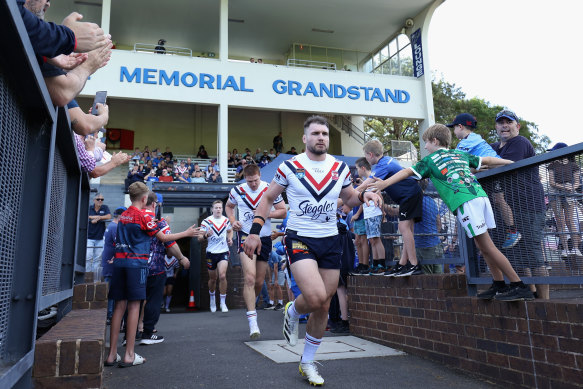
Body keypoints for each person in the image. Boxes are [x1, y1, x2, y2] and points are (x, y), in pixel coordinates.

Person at [244, 115, 381, 386]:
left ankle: (307, 362)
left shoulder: (339, 167)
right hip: (299, 238)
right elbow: (268, 198)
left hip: (331, 240)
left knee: (324, 304)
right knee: (316, 297)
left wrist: (364, 195)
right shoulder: (289, 166)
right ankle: (293, 311)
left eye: (325, 134)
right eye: (316, 133)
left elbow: (349, 198)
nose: (321, 137)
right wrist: (253, 231)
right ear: (305, 138)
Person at [370, 123, 535, 302]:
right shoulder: (459, 153)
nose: (425, 147)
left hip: (465, 201)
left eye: (426, 142)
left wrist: (384, 184)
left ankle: (518, 285)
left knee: (487, 246)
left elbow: (406, 172)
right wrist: (512, 163)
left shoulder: (430, 160)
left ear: (434, 140)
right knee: (483, 246)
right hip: (480, 197)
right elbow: (486, 160)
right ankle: (498, 284)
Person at [105, 182, 200, 367]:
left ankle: (111, 354)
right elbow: (164, 238)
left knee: (118, 307)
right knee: (134, 307)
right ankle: (129, 355)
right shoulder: (143, 217)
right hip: (136, 265)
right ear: (144, 199)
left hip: (119, 264)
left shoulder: (122, 215)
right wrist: (186, 233)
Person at [490, 109, 549, 299]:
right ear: (496, 126)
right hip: (511, 208)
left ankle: (545, 302)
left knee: (534, 255)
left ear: (517, 126)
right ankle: (530, 296)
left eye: (509, 122)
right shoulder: (494, 147)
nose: (504, 126)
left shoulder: (519, 142)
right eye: (501, 122)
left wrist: (482, 164)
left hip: (530, 206)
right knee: (519, 256)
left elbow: (504, 164)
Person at [225, 164, 286, 338]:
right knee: (250, 277)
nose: (253, 184)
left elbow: (282, 211)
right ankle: (253, 322)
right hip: (245, 235)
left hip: (265, 237)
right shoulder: (237, 190)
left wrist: (266, 214)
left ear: (260, 176)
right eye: (249, 181)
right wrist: (232, 220)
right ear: (245, 178)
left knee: (259, 281)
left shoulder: (269, 189)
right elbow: (229, 206)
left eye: (256, 180)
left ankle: (251, 303)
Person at [447, 113, 521, 249]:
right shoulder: (473, 138)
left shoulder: (468, 141)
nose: (454, 131)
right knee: (493, 200)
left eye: (454, 128)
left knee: (498, 199)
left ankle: (513, 230)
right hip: (493, 170)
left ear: (460, 126)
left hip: (498, 169)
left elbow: (455, 160)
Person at [359, 139, 424, 277]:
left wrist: (347, 196)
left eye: (365, 155)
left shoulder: (381, 166)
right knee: (407, 229)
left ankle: (414, 264)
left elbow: (364, 186)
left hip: (409, 194)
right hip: (410, 194)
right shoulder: (387, 160)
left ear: (370, 154)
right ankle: (402, 263)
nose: (366, 158)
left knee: (404, 228)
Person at [140, 193, 194, 345]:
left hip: (134, 266)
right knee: (152, 300)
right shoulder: (160, 221)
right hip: (155, 267)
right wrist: (182, 258)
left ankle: (130, 335)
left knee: (134, 301)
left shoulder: (133, 216)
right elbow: (168, 244)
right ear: (155, 204)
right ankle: (147, 333)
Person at [546, 142, 582, 257]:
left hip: (569, 193)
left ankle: (575, 248)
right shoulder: (552, 165)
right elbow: (552, 182)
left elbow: (577, 182)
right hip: (555, 192)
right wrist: (563, 186)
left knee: (569, 220)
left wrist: (571, 187)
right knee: (559, 221)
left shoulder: (573, 165)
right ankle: (565, 249)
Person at [199, 201, 233, 313]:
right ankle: (212, 298)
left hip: (223, 251)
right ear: (212, 209)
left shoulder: (226, 220)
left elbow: (230, 230)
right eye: (216, 208)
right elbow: (199, 238)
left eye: (220, 208)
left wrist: (230, 238)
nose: (218, 209)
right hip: (211, 253)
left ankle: (223, 302)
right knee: (213, 279)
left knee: (222, 276)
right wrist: (206, 235)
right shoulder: (206, 221)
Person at [355, 158, 385, 274]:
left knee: (376, 239)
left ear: (363, 168)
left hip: (374, 213)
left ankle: (381, 264)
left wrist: (383, 213)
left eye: (357, 168)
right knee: (372, 240)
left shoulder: (372, 181)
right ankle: (375, 263)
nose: (357, 171)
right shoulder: (365, 182)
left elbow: (380, 196)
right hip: (368, 214)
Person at [102, 207, 126, 325]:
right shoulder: (115, 227)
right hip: (111, 264)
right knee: (111, 291)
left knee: (110, 290)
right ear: (121, 216)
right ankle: (110, 315)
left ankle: (110, 315)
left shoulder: (111, 226)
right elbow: (119, 245)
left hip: (108, 263)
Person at [414, 180, 444, 274]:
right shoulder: (431, 201)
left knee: (428, 277)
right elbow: (438, 221)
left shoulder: (415, 201)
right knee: (439, 276)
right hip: (436, 243)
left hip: (423, 245)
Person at [87, 193, 111, 274]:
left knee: (98, 259)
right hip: (89, 237)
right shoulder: (90, 208)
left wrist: (99, 218)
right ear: (94, 200)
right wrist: (93, 217)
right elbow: (86, 215)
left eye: (102, 199)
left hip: (100, 237)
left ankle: (94, 277)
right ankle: (87, 276)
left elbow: (109, 216)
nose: (100, 201)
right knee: (88, 257)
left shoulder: (105, 207)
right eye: (98, 199)